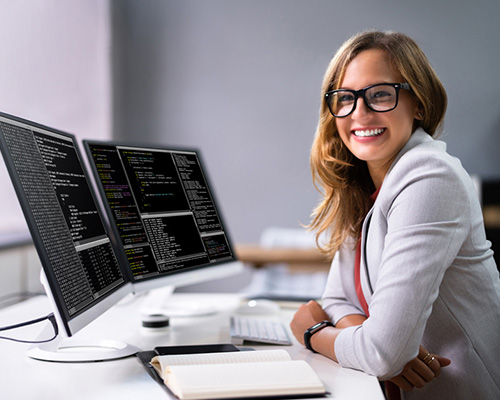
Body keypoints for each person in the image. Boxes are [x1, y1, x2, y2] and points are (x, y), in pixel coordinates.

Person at [290, 30, 500, 399]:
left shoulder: (430, 176)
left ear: (418, 103)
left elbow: (381, 353)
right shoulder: (364, 183)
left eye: (380, 95)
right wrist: (373, 343)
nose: (360, 112)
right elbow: (340, 300)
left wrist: (313, 332)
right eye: (345, 98)